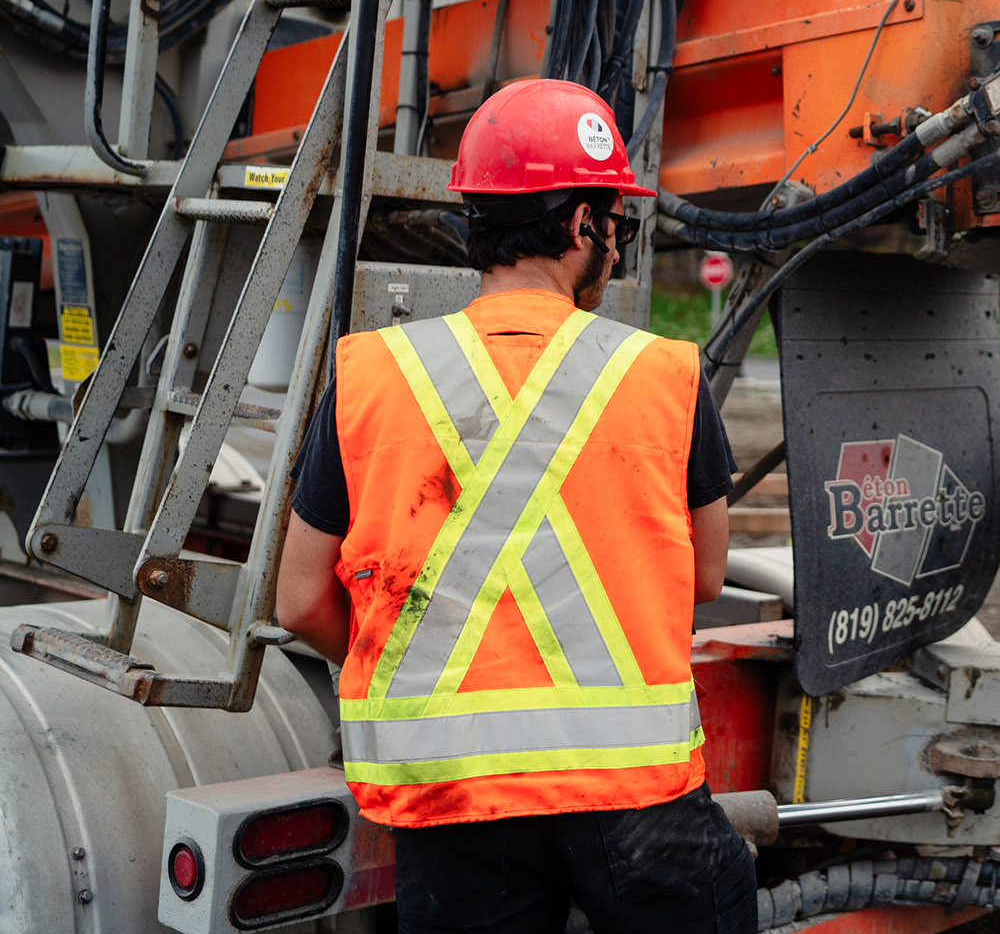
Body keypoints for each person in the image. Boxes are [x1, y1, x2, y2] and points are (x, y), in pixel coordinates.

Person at [277, 79, 754, 933]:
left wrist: (425, 662)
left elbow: (300, 599)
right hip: (635, 798)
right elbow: (705, 573)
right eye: (618, 223)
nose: (618, 245)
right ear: (582, 224)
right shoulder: (663, 375)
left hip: (453, 799)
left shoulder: (371, 374)